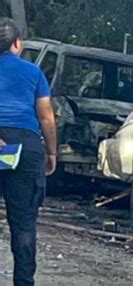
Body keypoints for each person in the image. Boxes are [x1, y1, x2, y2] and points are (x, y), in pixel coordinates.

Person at [0, 18, 57, 286]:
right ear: (17, 43)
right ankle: (24, 282)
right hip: (25, 146)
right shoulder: (34, 72)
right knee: (23, 222)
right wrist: (52, 152)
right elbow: (46, 116)